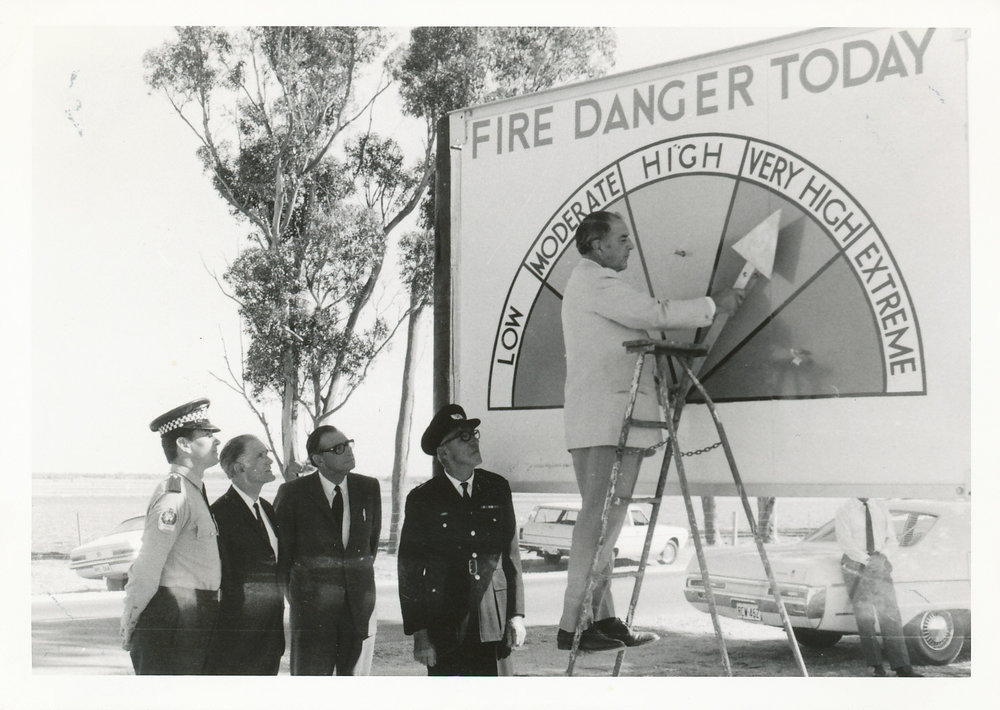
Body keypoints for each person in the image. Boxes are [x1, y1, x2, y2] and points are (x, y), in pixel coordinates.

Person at [558, 210, 745, 651]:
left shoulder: (594, 283)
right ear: (597, 245)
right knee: (602, 521)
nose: (629, 246)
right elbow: (653, 313)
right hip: (607, 420)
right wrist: (713, 304)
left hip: (600, 419)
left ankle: (602, 618)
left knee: (603, 521)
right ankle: (573, 625)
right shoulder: (595, 281)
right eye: (621, 239)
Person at [398, 404, 526, 676]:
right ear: (443, 452)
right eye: (463, 437)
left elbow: (511, 557)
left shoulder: (497, 488)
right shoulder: (423, 498)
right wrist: (420, 633)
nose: (473, 442)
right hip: (445, 625)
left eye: (473, 434)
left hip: (493, 619)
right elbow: (409, 570)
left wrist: (516, 615)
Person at [120, 398, 223, 674]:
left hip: (194, 616)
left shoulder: (193, 491)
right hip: (173, 617)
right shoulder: (174, 495)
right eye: (207, 434)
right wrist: (131, 619)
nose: (216, 440)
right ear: (184, 445)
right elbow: (148, 565)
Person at [274, 425, 381, 675]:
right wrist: (299, 601)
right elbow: (283, 556)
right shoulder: (293, 493)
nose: (348, 452)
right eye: (338, 448)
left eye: (349, 444)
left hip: (358, 611)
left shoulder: (369, 488)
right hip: (312, 615)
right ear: (318, 459)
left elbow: (370, 547)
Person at [206, 435, 284, 675]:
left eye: (267, 453)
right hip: (236, 645)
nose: (269, 460)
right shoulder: (219, 514)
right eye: (260, 455)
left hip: (270, 640)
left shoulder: (268, 509)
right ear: (239, 468)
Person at [835, 497, 923, 677]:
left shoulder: (880, 506)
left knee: (890, 615)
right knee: (865, 618)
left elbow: (892, 539)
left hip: (880, 564)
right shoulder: (845, 509)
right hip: (856, 566)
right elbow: (846, 543)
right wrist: (867, 560)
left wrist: (881, 557)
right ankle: (875, 667)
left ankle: (902, 667)